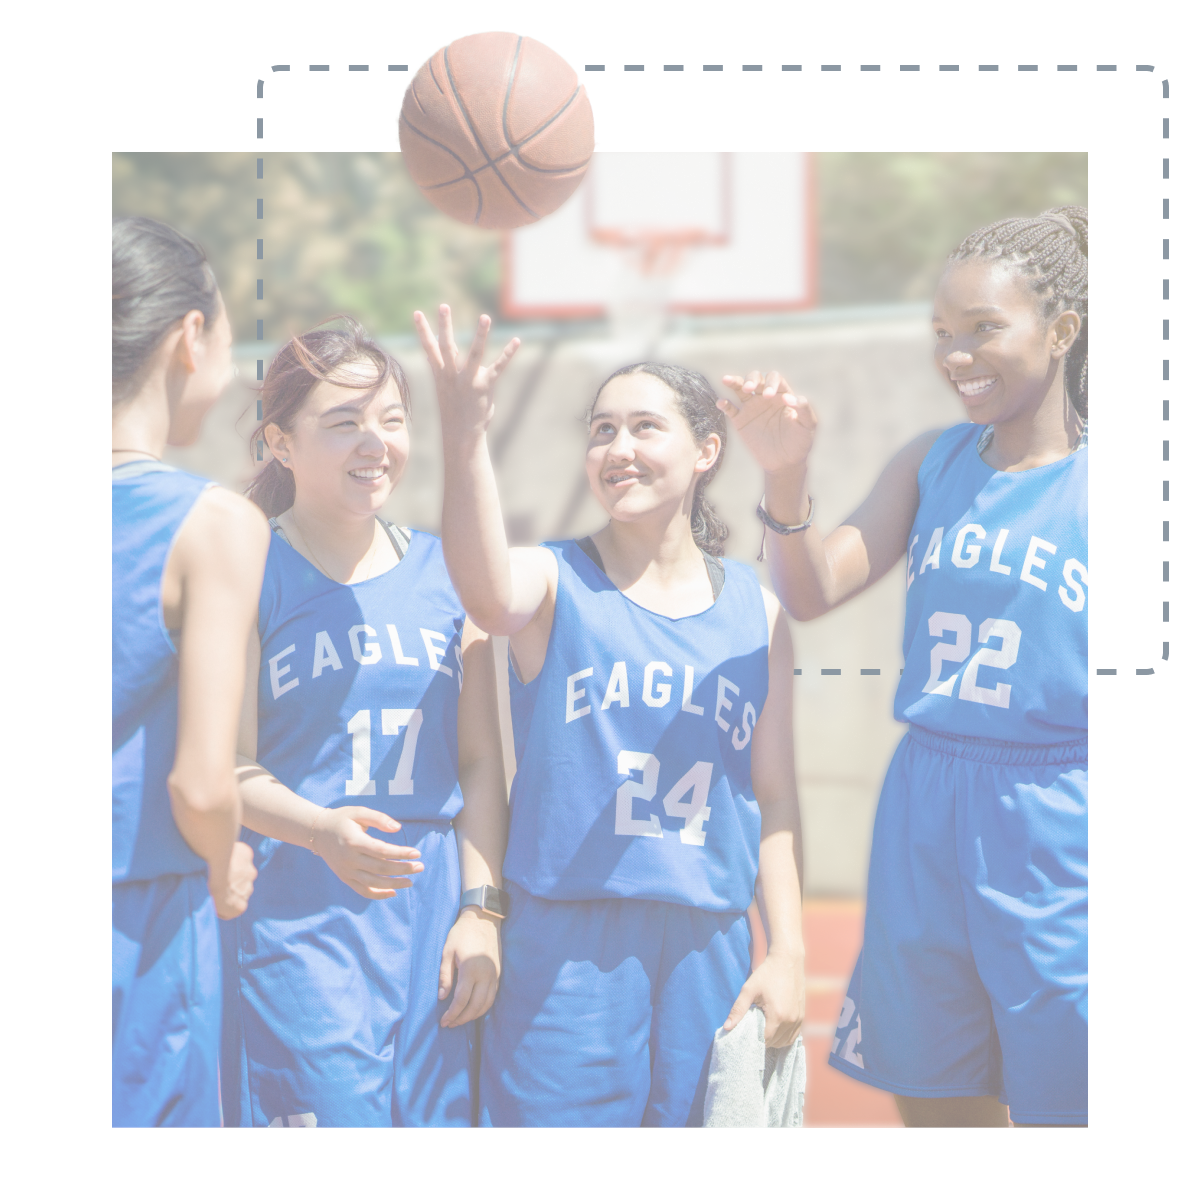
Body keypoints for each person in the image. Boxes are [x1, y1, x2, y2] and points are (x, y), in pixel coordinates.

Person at [720, 207, 1088, 1128]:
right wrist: (784, 478)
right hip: (925, 799)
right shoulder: (932, 463)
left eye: (982, 329)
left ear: (1064, 331)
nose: (955, 353)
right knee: (932, 1096)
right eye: (941, 334)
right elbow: (810, 590)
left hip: (1057, 816)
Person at [415, 304, 805, 1128]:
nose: (617, 449)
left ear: (706, 451)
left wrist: (791, 948)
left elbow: (773, 797)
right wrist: (464, 431)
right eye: (601, 430)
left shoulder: (758, 612)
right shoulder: (553, 581)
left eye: (643, 428)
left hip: (709, 943)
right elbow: (483, 590)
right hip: (567, 946)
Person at [220, 317, 509, 1128]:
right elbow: (228, 764)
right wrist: (320, 831)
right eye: (343, 422)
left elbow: (481, 762)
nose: (373, 442)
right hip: (299, 915)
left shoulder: (452, 576)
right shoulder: (249, 570)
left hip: (430, 920)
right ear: (279, 443)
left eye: (391, 419)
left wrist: (482, 911)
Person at [113, 216, 268, 1126]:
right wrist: (225, 853)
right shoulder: (212, 522)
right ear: (191, 337)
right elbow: (203, 782)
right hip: (144, 923)